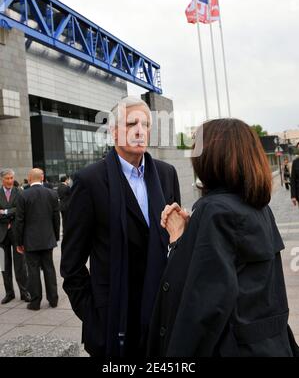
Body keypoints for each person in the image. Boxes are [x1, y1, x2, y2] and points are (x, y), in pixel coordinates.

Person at [147, 118, 299, 357]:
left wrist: (177, 240)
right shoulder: (260, 208)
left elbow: (201, 308)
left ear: (213, 156)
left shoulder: (213, 210)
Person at [60, 96, 181, 358]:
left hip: (162, 320)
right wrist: (96, 317)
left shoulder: (166, 174)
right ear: (114, 132)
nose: (140, 130)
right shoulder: (89, 181)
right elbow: (71, 265)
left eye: (146, 124)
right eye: (131, 123)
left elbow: (176, 243)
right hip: (114, 326)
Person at [14, 168, 60, 310]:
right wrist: (56, 236)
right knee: (49, 268)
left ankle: (35, 302)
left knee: (33, 271)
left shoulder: (23, 195)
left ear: (29, 178)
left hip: (30, 239)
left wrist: (19, 242)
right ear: (42, 177)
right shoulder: (52, 193)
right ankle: (53, 300)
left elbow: (19, 221)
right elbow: (56, 218)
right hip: (47, 238)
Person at [0, 169, 29, 304]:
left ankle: (24, 293)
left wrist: (5, 212)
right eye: (7, 178)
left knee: (20, 265)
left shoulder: (20, 192)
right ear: (2, 179)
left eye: (12, 178)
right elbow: (15, 210)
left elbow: (21, 209)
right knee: (4, 266)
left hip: (17, 233)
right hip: (1, 234)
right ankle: (9, 293)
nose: (10, 181)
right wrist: (12, 213)